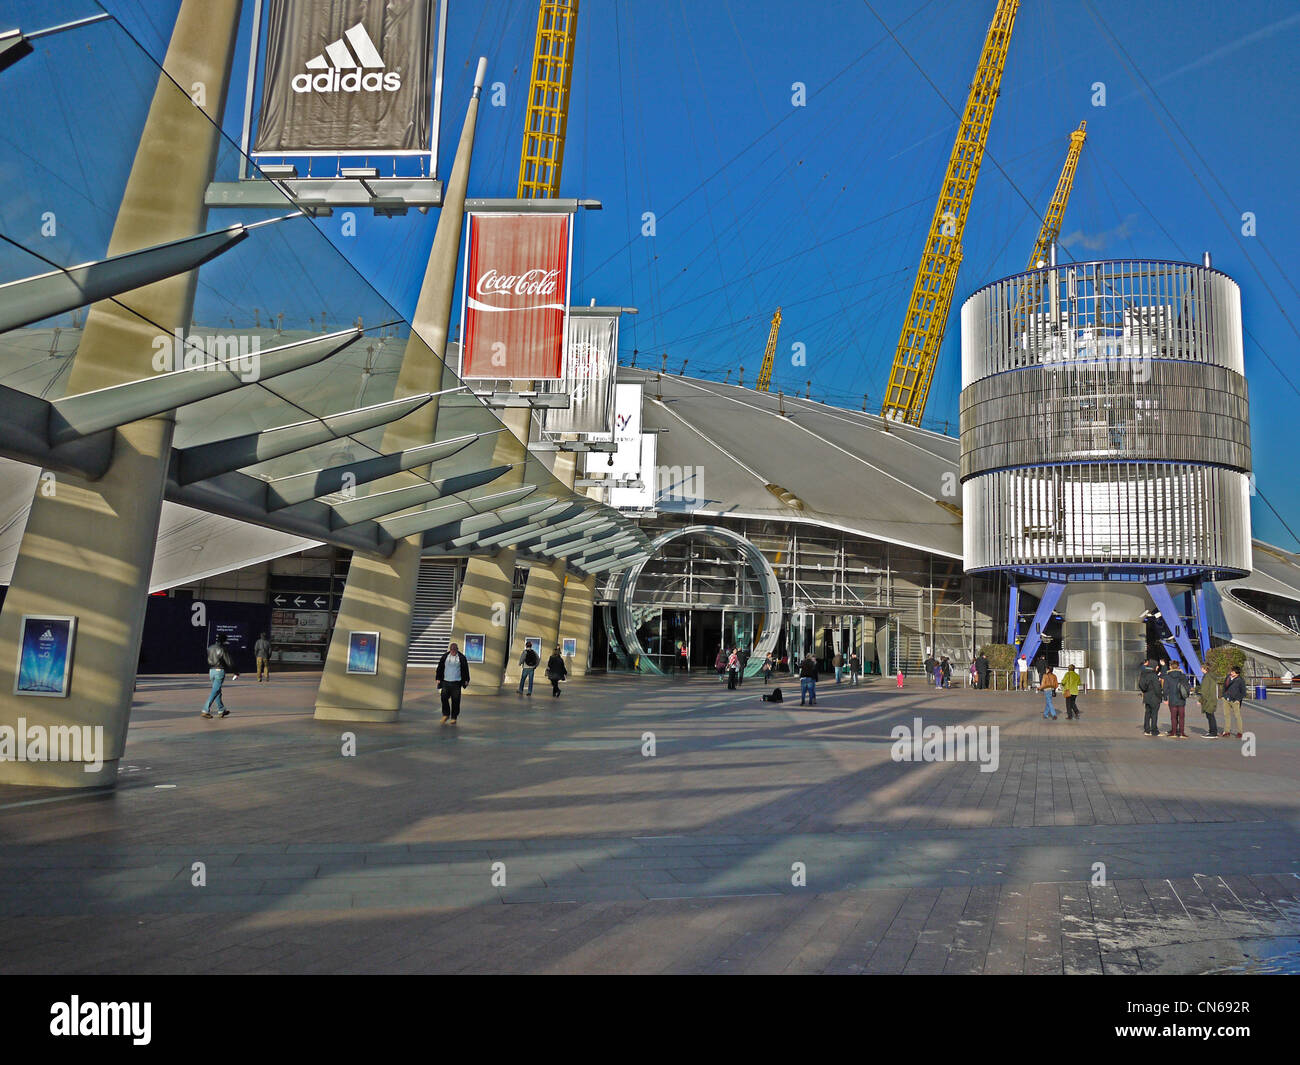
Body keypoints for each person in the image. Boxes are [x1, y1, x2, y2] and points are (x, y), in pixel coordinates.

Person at [201, 633, 236, 719]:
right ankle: (205, 709)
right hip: (219, 671)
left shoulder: (210, 648)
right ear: (224, 640)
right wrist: (236, 671)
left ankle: (221, 709)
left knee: (217, 690)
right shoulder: (222, 649)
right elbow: (229, 661)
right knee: (215, 690)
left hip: (211, 671)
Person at [436, 641, 470, 724]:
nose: (453, 651)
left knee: (456, 700)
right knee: (443, 698)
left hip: (456, 683)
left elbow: (465, 669)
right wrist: (438, 678)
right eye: (452, 650)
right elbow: (439, 667)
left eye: (455, 650)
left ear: (457, 650)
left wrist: (466, 680)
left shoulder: (461, 658)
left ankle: (454, 717)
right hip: (446, 682)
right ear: (450, 650)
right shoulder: (445, 657)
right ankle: (446, 714)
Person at [1162, 659, 1190, 739]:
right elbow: (1187, 686)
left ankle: (1173, 732)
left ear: (1170, 667)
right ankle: (1182, 733)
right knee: (1181, 717)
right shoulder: (1183, 676)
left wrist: (1165, 698)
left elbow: (1165, 689)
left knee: (1173, 717)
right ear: (1178, 667)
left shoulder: (1167, 676)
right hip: (1181, 699)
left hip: (1172, 699)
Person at [1137, 658, 1162, 736]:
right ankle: (1154, 730)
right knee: (1154, 714)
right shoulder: (1153, 675)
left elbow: (1141, 685)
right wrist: (1160, 696)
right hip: (1154, 697)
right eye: (1157, 666)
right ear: (1154, 666)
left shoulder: (1144, 673)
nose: (1158, 667)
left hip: (1147, 696)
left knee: (1147, 713)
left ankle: (1147, 730)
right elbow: (1157, 688)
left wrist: (1144, 691)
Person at [1222, 666, 1246, 739]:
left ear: (1237, 673)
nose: (1231, 672)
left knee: (1237, 716)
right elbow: (1224, 686)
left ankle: (1240, 732)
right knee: (1226, 715)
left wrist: (1238, 699)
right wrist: (1223, 696)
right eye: (1231, 671)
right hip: (1226, 699)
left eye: (1233, 671)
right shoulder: (1228, 677)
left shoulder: (1240, 680)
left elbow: (1243, 692)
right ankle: (1227, 731)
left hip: (1235, 701)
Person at [1198, 672, 1220, 738]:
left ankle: (1213, 733)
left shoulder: (1207, 677)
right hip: (1212, 699)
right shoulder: (1212, 676)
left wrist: (1200, 700)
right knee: (1210, 715)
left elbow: (1204, 690)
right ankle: (1212, 731)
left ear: (1204, 669)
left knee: (1210, 716)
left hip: (1208, 700)